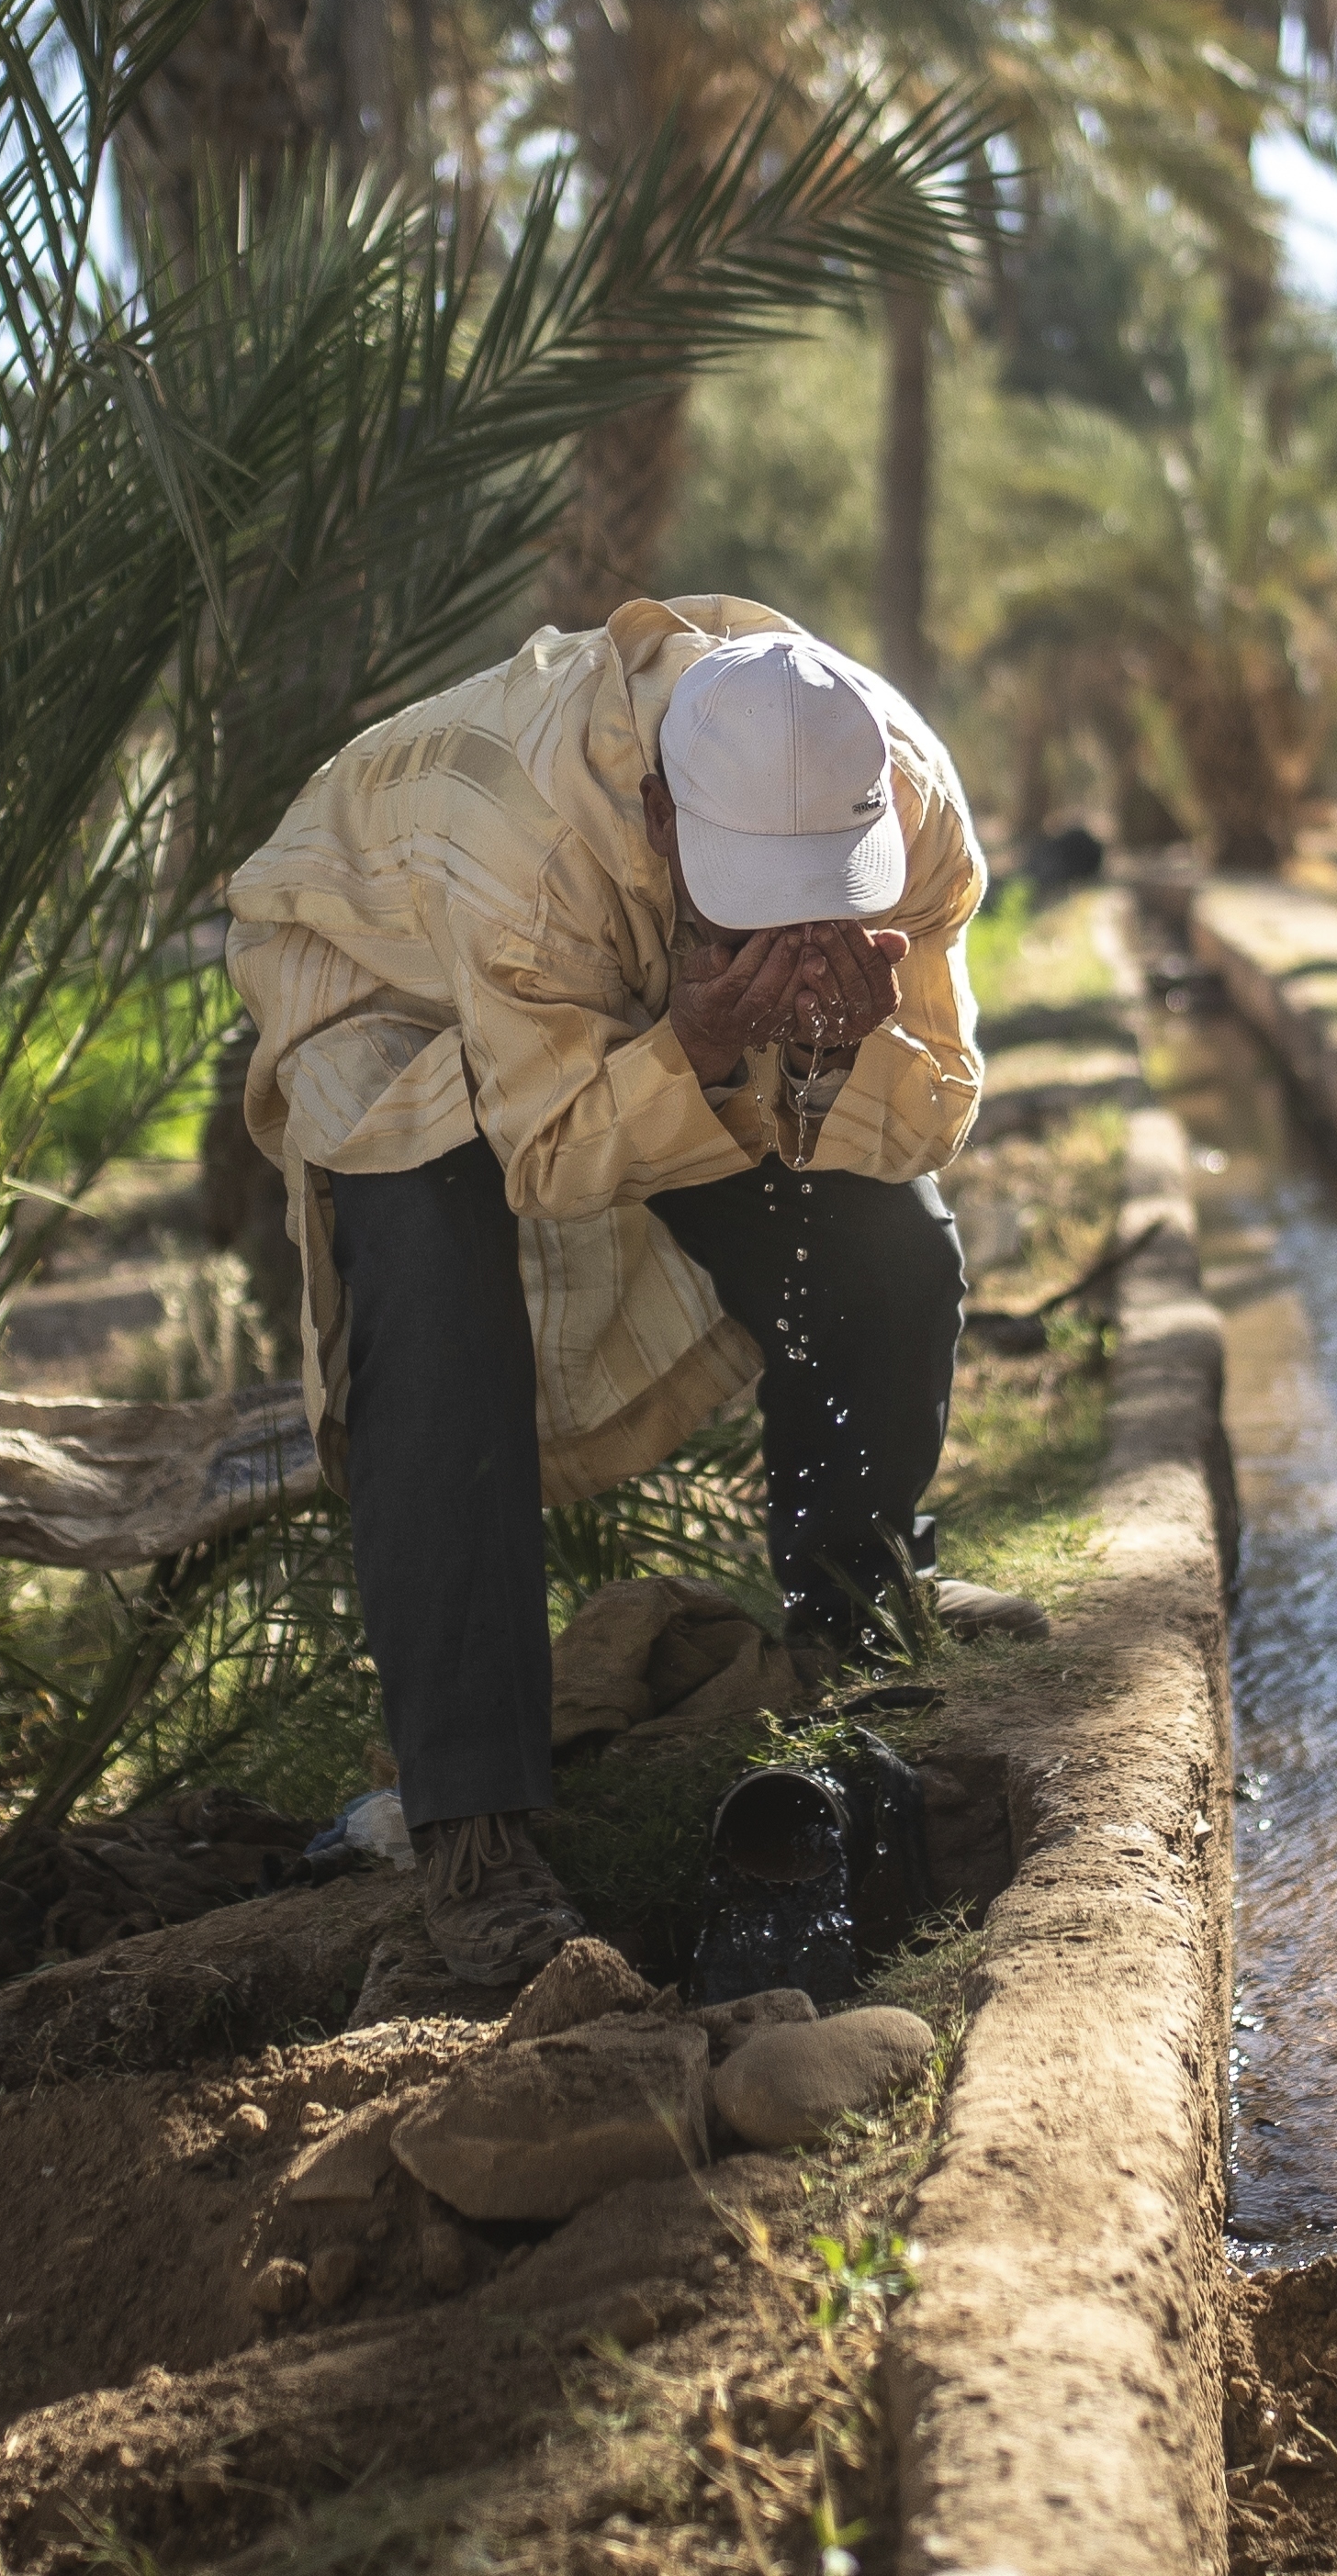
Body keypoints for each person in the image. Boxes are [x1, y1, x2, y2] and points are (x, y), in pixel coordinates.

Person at [225, 597, 999, 1986]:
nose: (813, 926)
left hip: (619, 972)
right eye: (766, 899)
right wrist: (696, 1037)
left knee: (896, 1252)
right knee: (440, 1317)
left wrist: (841, 1043)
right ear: (660, 816)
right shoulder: (532, 855)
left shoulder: (915, 811)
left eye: (834, 892)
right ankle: (473, 1833)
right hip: (386, 958)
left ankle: (853, 1606)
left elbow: (929, 1120)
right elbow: (550, 1149)